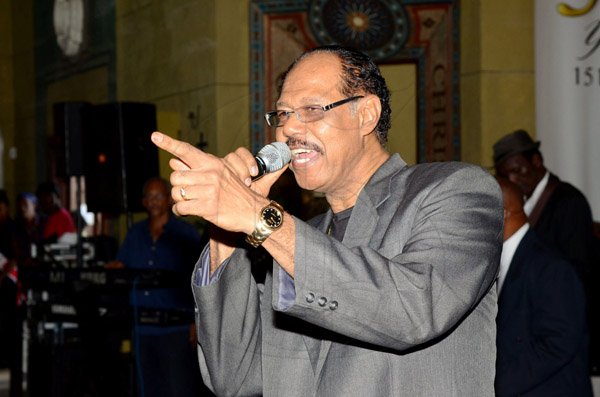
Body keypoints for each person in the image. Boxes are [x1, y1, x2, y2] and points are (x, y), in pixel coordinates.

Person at [152, 45, 504, 396]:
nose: (289, 128)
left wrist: (259, 216)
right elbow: (235, 377)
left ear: (366, 114)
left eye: (311, 109)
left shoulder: (456, 190)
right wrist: (224, 230)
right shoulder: (296, 239)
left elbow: (415, 309)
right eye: (283, 114)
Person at [493, 129, 599, 372]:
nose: (513, 178)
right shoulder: (520, 201)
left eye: (517, 169)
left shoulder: (569, 202)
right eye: (506, 174)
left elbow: (578, 275)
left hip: (556, 329)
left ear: (536, 161)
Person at [108, 177, 209, 397]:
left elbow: (200, 280)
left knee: (177, 388)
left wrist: (196, 320)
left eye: (159, 196)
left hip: (176, 330)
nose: (154, 202)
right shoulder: (135, 234)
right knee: (149, 388)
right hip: (142, 329)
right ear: (144, 202)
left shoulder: (185, 233)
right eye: (149, 197)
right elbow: (121, 267)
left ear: (168, 200)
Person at [494, 176, 592, 396]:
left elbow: (559, 343)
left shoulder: (551, 268)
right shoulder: (501, 262)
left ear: (501, 214)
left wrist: (495, 384)